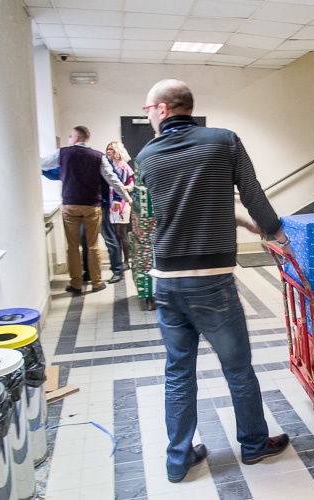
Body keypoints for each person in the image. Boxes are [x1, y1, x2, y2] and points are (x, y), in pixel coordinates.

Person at [136, 79, 291, 483]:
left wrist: (237, 220)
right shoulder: (224, 141)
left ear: (163, 109)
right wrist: (276, 233)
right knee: (237, 368)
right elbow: (251, 193)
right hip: (211, 281)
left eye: (148, 109)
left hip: (167, 280)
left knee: (178, 372)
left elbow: (174, 209)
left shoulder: (147, 156)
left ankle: (178, 459)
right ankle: (254, 445)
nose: (147, 116)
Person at [41, 125, 132, 293]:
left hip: (70, 205)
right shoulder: (98, 156)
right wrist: (126, 197)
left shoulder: (63, 154)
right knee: (93, 245)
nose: (69, 139)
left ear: (76, 137)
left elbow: (43, 165)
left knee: (73, 246)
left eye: (70, 136)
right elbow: (113, 178)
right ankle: (97, 282)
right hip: (92, 206)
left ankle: (76, 284)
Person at [106, 141, 135, 270]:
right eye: (107, 149)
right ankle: (118, 260)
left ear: (117, 150)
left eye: (111, 149)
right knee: (114, 233)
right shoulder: (109, 165)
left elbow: (131, 185)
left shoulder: (123, 167)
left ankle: (126, 261)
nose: (108, 151)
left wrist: (124, 189)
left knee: (121, 233)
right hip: (111, 203)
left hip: (122, 202)